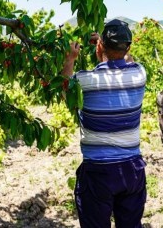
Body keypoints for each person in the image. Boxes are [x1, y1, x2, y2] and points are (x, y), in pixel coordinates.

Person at [62, 19, 147, 228]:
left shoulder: (85, 80)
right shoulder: (139, 74)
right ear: (129, 46)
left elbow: (64, 87)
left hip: (98, 173)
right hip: (132, 170)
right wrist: (106, 50)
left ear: (100, 46)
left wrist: (70, 59)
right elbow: (128, 58)